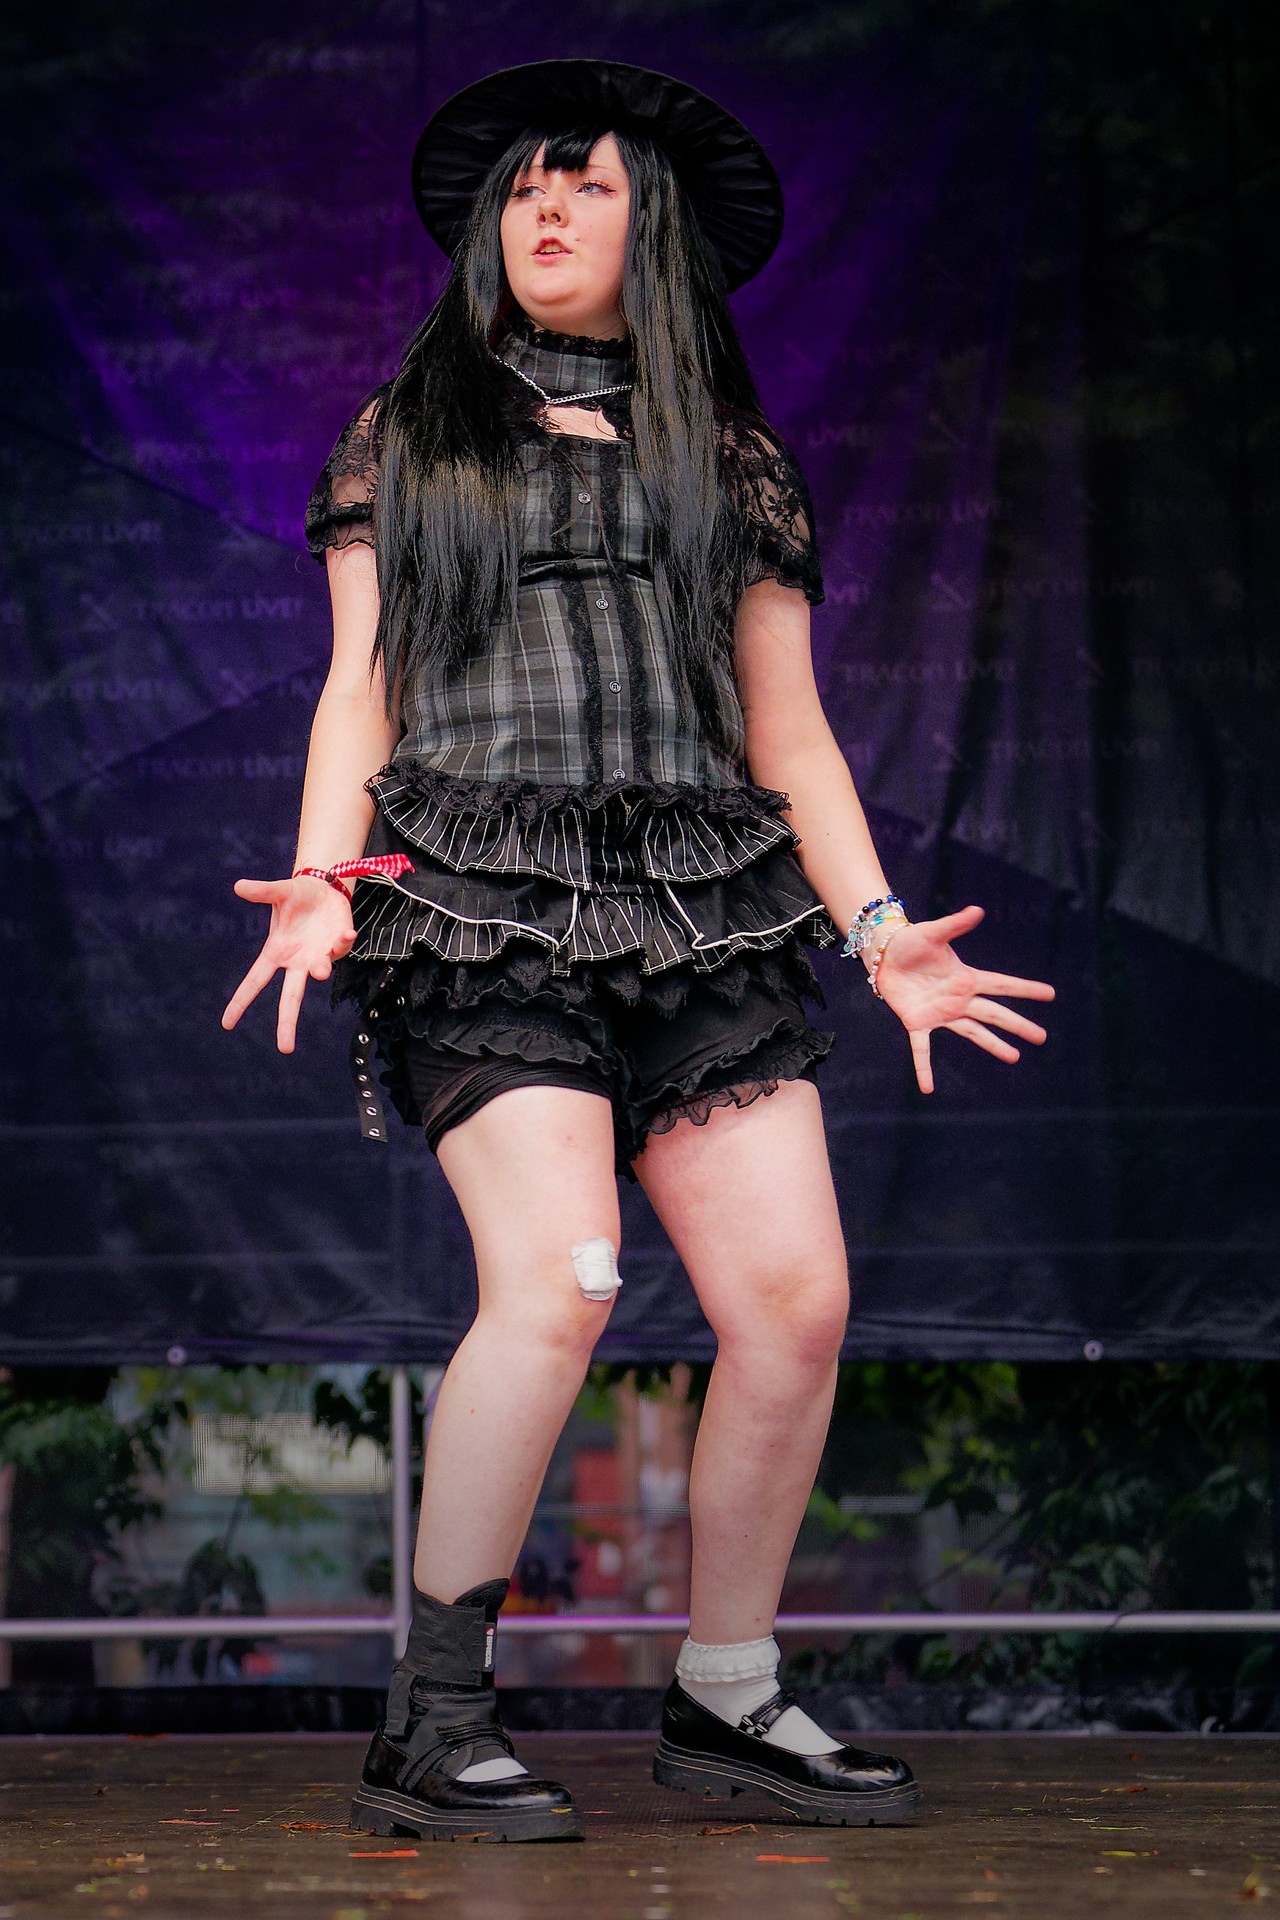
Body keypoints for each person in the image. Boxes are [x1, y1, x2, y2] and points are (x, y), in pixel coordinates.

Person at [222, 59, 1054, 1842]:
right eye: (525, 189)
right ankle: (435, 1721)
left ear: (649, 227)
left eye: (586, 185)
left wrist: (882, 933)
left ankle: (729, 1696)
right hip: (480, 901)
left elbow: (790, 733)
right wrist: (323, 873)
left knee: (797, 1303)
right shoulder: (410, 435)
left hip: (701, 908)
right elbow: (360, 686)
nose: (545, 209)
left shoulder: (731, 466)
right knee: (565, 1279)